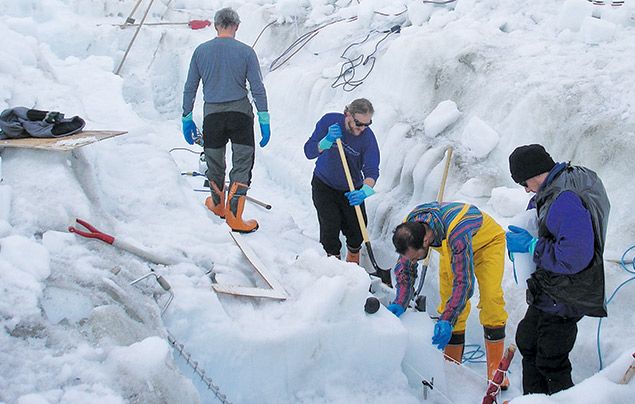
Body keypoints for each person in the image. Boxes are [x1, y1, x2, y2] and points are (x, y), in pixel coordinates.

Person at [506, 144, 610, 395]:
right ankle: (534, 399)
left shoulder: (564, 200)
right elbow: (552, 209)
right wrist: (534, 214)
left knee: (550, 358)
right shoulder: (568, 178)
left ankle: (556, 399)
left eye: (524, 183)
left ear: (535, 174)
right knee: (527, 340)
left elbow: (573, 257)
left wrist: (532, 246)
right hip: (553, 285)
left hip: (569, 290)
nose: (526, 190)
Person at [390, 202, 509, 388]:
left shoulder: (458, 230)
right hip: (452, 248)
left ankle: (496, 369)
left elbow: (464, 282)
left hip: (487, 244)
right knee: (448, 300)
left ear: (426, 241)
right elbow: (405, 265)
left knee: (491, 298)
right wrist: (401, 300)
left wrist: (448, 319)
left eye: (415, 257)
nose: (413, 261)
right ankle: (451, 364)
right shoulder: (410, 228)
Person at [182, 7, 270, 233]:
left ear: (215, 25)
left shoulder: (201, 52)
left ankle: (218, 205)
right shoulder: (246, 52)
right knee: (242, 162)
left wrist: (187, 116)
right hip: (240, 114)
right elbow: (257, 88)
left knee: (214, 160)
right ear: (237, 26)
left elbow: (191, 87)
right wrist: (264, 117)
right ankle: (235, 216)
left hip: (213, 115)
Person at [303, 98, 379, 264]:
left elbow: (372, 170)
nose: (362, 128)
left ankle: (353, 265)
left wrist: (364, 191)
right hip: (324, 184)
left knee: (358, 230)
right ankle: (334, 267)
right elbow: (309, 151)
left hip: (352, 189)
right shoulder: (329, 121)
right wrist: (326, 141)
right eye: (359, 123)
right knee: (329, 228)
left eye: (368, 124)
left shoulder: (367, 139)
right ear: (348, 115)